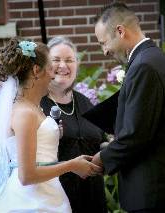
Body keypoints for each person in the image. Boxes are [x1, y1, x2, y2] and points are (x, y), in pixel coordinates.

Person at [0, 38, 102, 213]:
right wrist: (72, 165)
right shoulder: (25, 113)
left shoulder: (32, 108)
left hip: (48, 193)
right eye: (50, 69)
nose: (53, 75)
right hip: (30, 201)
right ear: (37, 70)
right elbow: (27, 175)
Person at [91, 2, 165, 213]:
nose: (104, 51)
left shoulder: (144, 66)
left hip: (155, 195)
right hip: (161, 192)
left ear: (120, 31)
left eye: (103, 43)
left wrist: (103, 158)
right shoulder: (153, 59)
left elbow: (137, 135)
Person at [40, 36, 107, 213]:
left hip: (93, 199)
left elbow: (102, 141)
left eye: (69, 60)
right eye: (56, 60)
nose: (63, 65)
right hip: (54, 200)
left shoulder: (85, 103)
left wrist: (115, 146)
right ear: (45, 65)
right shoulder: (36, 105)